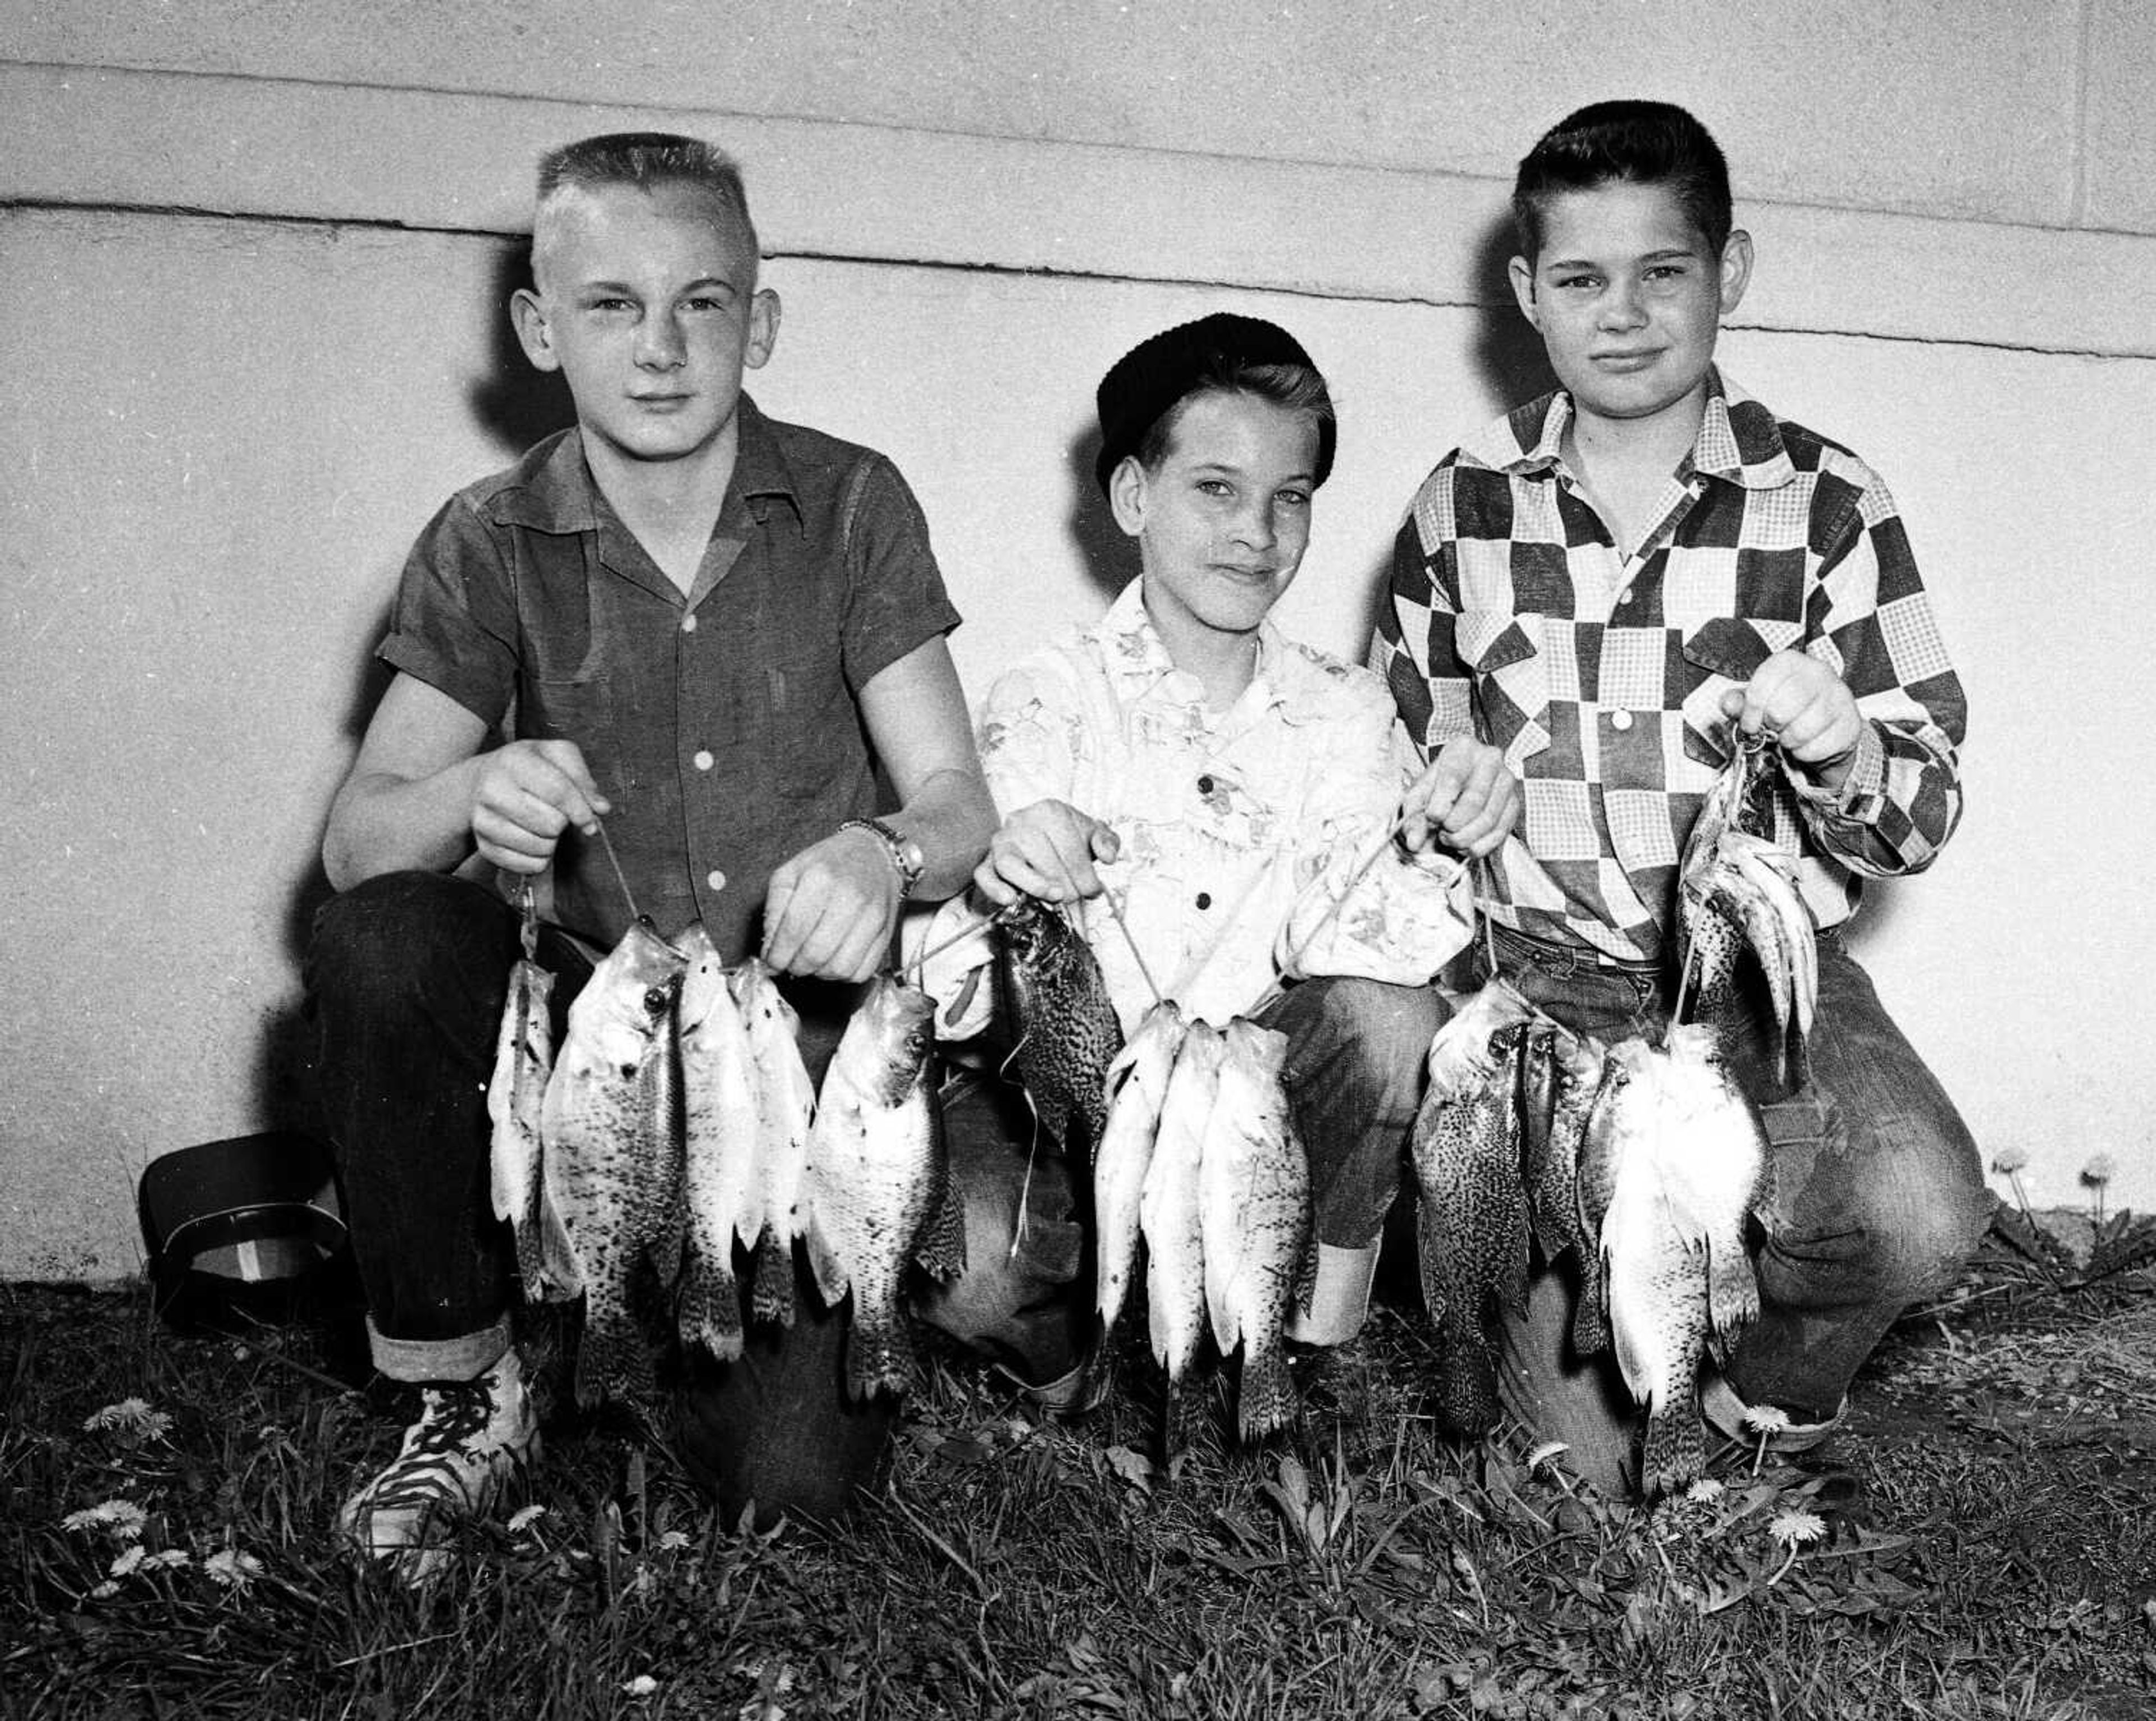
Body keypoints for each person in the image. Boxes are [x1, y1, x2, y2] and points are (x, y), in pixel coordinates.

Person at [305, 132, 999, 1577]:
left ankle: (607, 1318)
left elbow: (956, 802)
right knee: (385, 941)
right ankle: (465, 1381)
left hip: (783, 1054)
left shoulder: (854, 500)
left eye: (703, 302)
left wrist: (883, 853)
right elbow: (359, 842)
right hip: (586, 1032)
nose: (664, 348)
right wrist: (473, 787)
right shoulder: (488, 535)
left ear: (762, 322)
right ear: (539, 329)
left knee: (792, 1491)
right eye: (613, 305)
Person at [1373, 100, 1992, 1494]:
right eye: (1582, 280)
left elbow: (1923, 816)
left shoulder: (1827, 505)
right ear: (1528, 294)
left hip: (1760, 995)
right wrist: (1438, 794)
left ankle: (1766, 1396)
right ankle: (1606, 1300)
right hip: (1538, 995)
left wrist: (1844, 751)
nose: (1628, 316)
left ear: (1733, 271)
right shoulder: (1460, 507)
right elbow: (1399, 766)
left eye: (1666, 271)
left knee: (1915, 1208)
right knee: (1586, 1493)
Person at [915, 313, 1514, 1421]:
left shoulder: (1345, 708)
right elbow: (946, 988)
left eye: (1291, 497)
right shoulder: (1046, 696)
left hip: (1257, 1121)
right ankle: (1067, 1343)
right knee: (974, 1269)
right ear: (1135, 498)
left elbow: (1374, 970)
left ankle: (1292, 1337)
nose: (1259, 532)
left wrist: (1441, 822)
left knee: (1394, 1022)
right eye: (1217, 489)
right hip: (1080, 1120)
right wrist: (1002, 874)